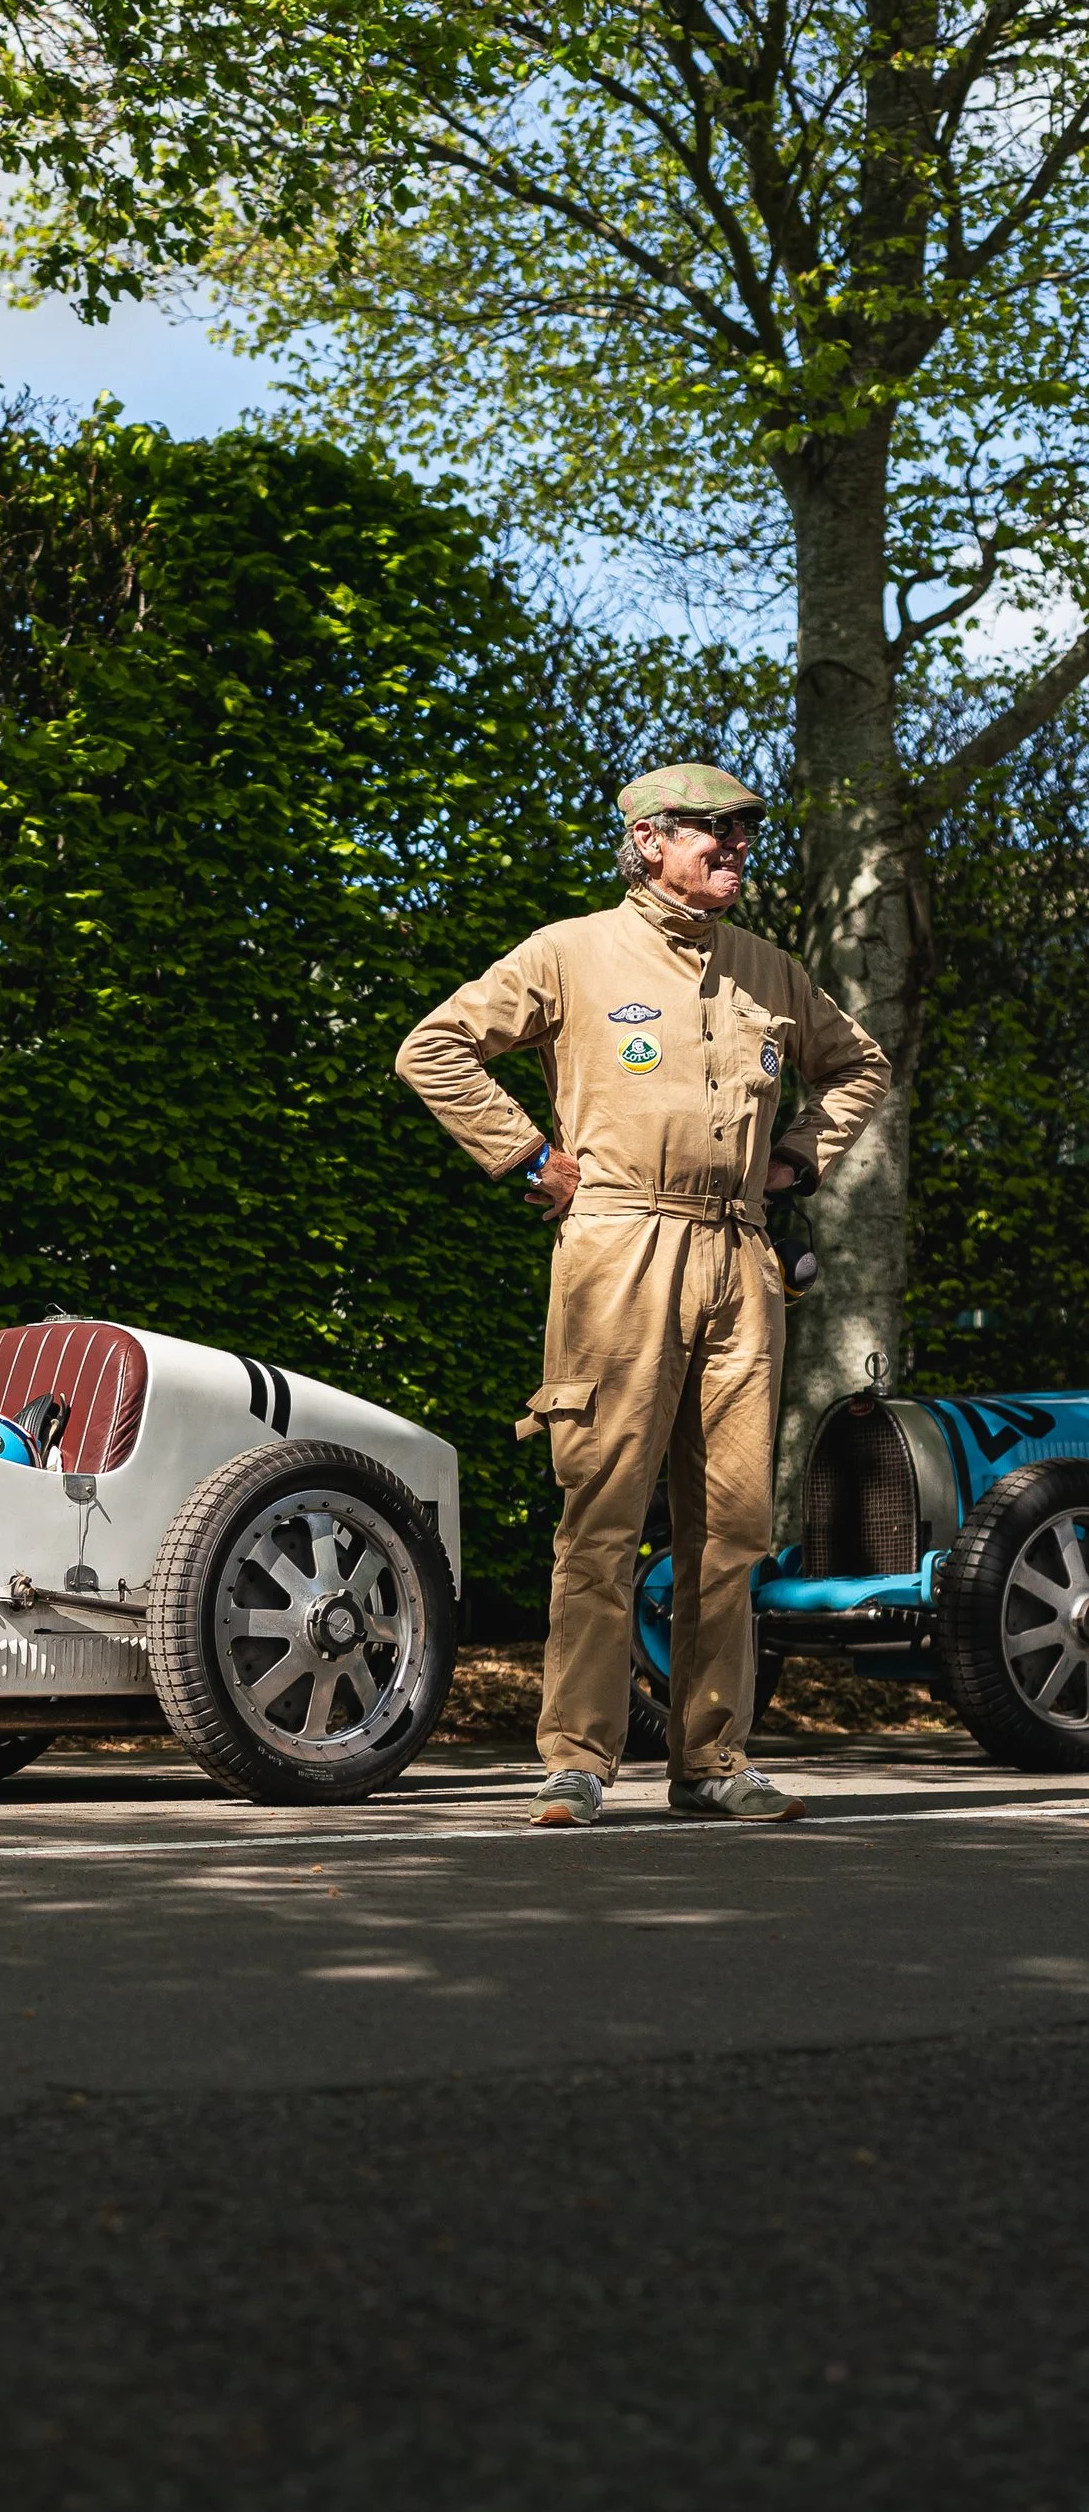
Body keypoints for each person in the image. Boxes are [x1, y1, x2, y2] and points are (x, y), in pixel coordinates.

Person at [395, 763, 891, 1825]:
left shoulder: (768, 969)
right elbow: (432, 1048)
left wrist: (798, 1161)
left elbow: (859, 1068)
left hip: (740, 1256)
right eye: (712, 831)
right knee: (603, 1513)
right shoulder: (571, 951)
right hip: (617, 1246)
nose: (734, 847)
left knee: (732, 1525)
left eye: (743, 832)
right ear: (649, 839)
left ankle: (714, 1763)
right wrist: (528, 1159)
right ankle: (575, 1760)